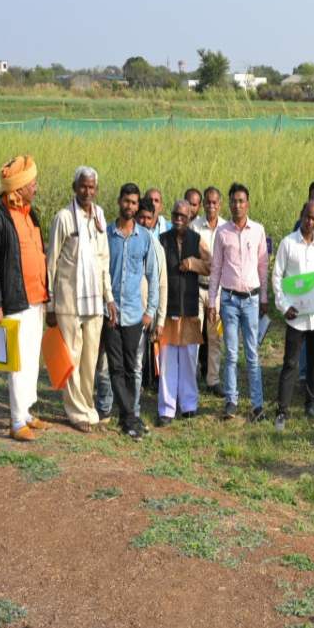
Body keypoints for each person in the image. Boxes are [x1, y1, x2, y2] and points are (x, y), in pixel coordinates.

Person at [0, 155, 49, 441]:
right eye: (31, 183)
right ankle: (16, 420)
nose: (35, 187)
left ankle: (27, 411)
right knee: (18, 363)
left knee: (33, 358)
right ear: (18, 187)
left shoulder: (29, 211)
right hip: (13, 301)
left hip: (36, 298)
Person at [46, 166, 114, 433]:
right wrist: (50, 303)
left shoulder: (99, 215)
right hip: (68, 300)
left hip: (94, 301)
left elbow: (103, 260)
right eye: (83, 186)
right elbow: (51, 262)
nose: (87, 191)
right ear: (74, 187)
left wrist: (109, 297)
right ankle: (76, 413)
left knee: (89, 358)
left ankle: (87, 405)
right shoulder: (63, 218)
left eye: (92, 187)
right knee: (72, 355)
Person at [208, 182, 269, 424]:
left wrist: (264, 298)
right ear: (229, 203)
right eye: (233, 201)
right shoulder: (222, 233)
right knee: (231, 354)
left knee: (252, 354)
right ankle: (231, 400)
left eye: (241, 201)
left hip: (252, 301)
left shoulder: (258, 230)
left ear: (248, 203)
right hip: (229, 301)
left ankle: (257, 404)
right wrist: (212, 301)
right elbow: (215, 269)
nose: (237, 205)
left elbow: (263, 267)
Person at [104, 183, 160, 440]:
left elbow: (153, 277)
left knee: (130, 368)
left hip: (134, 314)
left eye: (134, 202)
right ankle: (130, 418)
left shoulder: (145, 238)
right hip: (111, 314)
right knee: (115, 368)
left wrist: (150, 311)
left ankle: (128, 417)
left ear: (139, 206)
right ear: (119, 201)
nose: (130, 206)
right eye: (126, 201)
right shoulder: (106, 234)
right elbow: (100, 273)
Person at [273, 201, 314, 430]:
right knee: (290, 363)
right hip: (296, 316)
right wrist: (284, 305)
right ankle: (283, 410)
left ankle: (311, 404)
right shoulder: (288, 244)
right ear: (301, 216)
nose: (310, 222)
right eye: (307, 217)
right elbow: (277, 277)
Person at [157, 200, 210, 425]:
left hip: (189, 309)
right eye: (175, 215)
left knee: (189, 358)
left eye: (183, 216)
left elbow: (210, 265)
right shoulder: (163, 240)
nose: (179, 219)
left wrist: (192, 264)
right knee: (168, 359)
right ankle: (167, 409)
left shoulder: (197, 240)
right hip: (168, 309)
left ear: (189, 218)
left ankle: (189, 405)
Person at [133, 198, 168, 420]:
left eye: (149, 218)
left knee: (138, 362)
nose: (145, 222)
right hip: (126, 311)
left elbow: (162, 284)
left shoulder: (157, 247)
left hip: (148, 314)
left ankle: (135, 406)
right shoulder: (125, 239)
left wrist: (161, 319)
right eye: (141, 217)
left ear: (154, 219)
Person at [191, 186, 224, 395]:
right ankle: (191, 378)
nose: (211, 206)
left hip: (218, 292)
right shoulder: (194, 227)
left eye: (215, 203)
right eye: (208, 202)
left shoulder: (227, 228)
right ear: (203, 204)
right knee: (194, 337)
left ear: (219, 204)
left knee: (216, 337)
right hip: (197, 288)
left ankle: (213, 380)